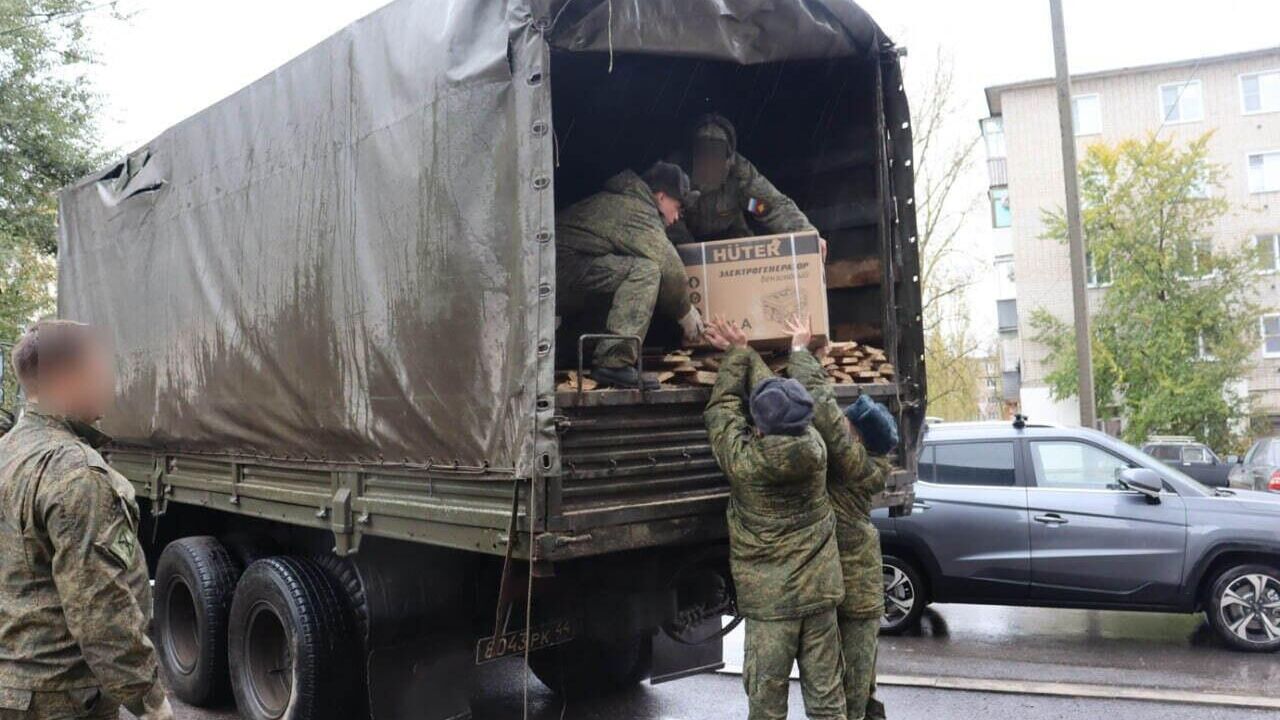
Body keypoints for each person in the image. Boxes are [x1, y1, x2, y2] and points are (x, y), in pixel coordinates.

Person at [0, 321, 173, 720]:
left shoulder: (8, 452)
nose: (110, 383)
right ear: (67, 378)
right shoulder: (77, 473)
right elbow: (100, 610)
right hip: (60, 700)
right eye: (101, 371)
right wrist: (149, 701)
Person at [702, 316, 846, 720]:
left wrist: (737, 354)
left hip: (771, 606)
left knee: (766, 704)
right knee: (827, 700)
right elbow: (782, 404)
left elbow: (722, 411)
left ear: (760, 428)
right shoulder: (816, 448)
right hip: (819, 597)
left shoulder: (746, 463)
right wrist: (750, 354)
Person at [786, 316, 899, 720]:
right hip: (859, 591)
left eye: (850, 425)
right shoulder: (867, 462)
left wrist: (799, 354)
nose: (844, 426)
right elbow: (832, 418)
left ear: (859, 438)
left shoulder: (854, 464)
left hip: (855, 596)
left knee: (850, 690)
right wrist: (815, 357)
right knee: (859, 681)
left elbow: (823, 412)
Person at [557, 161, 705, 388]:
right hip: (560, 272)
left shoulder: (624, 202)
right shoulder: (636, 210)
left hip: (558, 273)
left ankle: (567, 351)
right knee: (645, 271)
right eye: (677, 208)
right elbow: (669, 267)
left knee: (620, 279)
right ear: (662, 197)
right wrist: (686, 315)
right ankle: (613, 363)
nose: (676, 218)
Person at [667, 113, 828, 260]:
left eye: (715, 156)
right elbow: (666, 219)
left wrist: (807, 235)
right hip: (685, 239)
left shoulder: (741, 177)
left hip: (731, 236)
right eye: (704, 156)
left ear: (728, 160)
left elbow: (770, 208)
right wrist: (691, 252)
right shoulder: (675, 174)